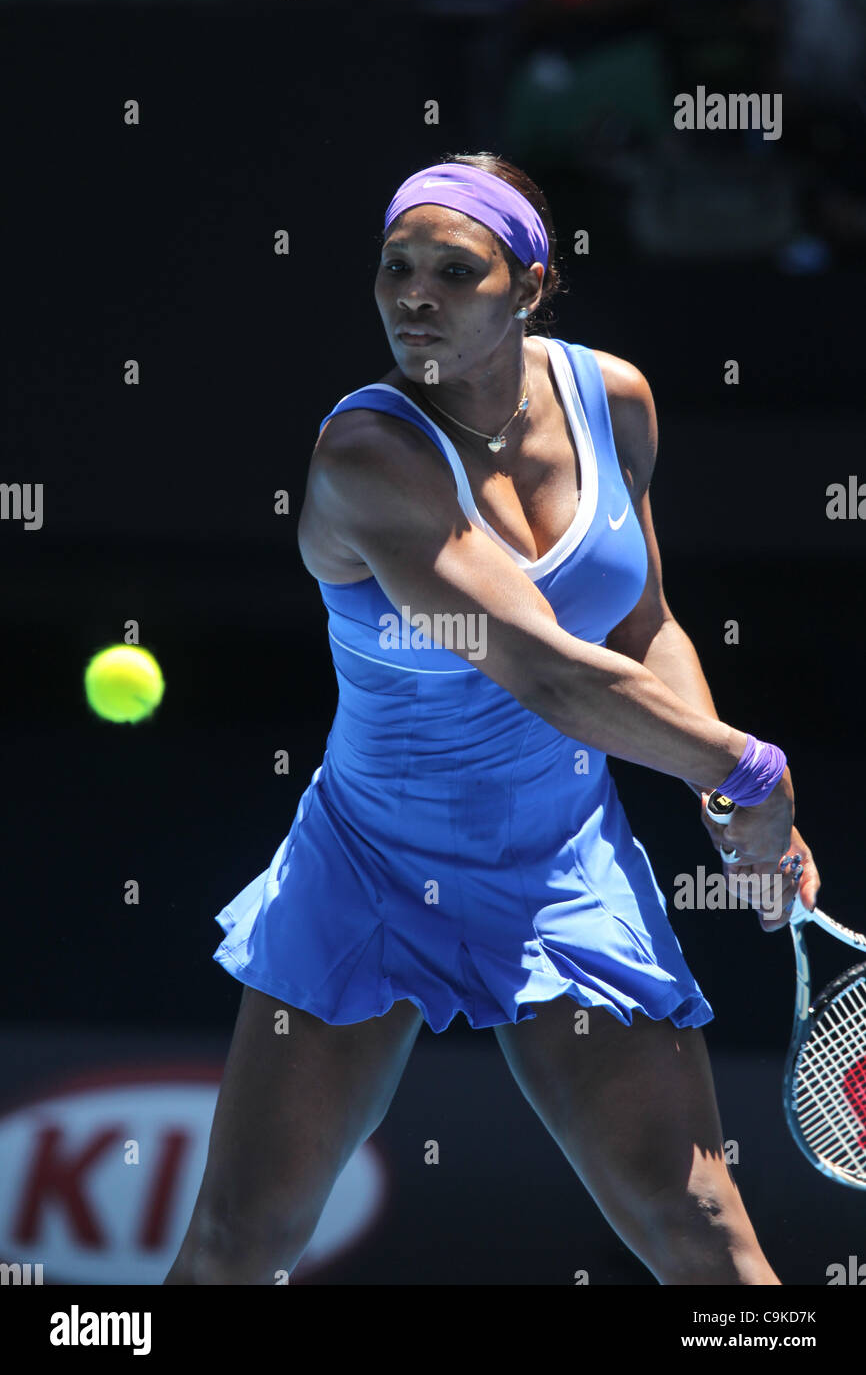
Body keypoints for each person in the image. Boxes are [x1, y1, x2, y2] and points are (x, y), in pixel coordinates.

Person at [164, 151, 820, 1287]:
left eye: (453, 271)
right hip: (368, 868)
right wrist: (750, 771)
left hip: (562, 864)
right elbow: (546, 675)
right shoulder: (364, 455)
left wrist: (720, 805)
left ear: (527, 284)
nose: (413, 295)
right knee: (238, 1244)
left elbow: (642, 627)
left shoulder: (613, 400)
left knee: (706, 1236)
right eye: (394, 268)